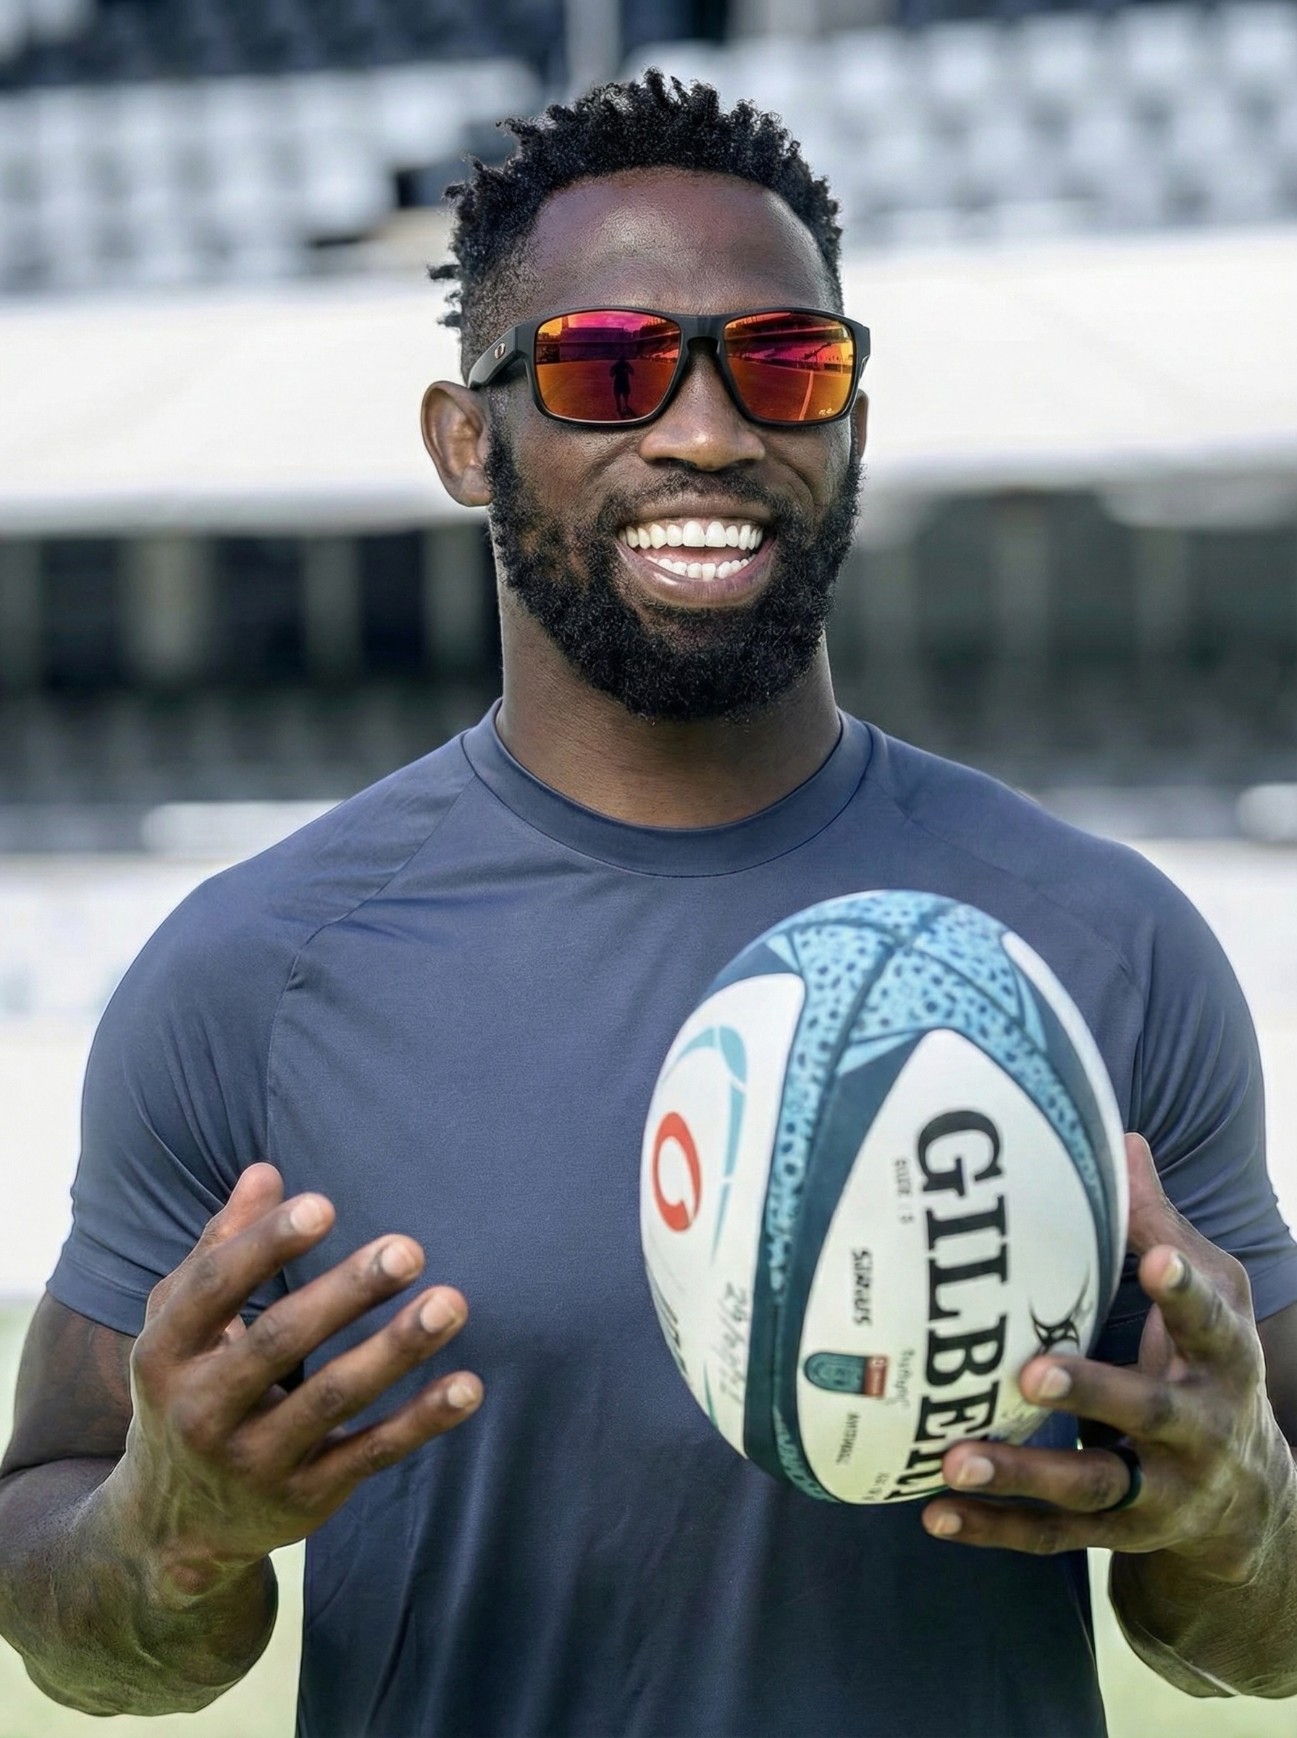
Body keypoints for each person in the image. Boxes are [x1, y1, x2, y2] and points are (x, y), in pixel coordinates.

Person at [1, 72, 1296, 1738]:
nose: (705, 431)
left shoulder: (1102, 945)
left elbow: (1250, 1633)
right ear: (464, 438)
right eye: (604, 366)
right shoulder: (254, 974)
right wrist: (164, 1534)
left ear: (850, 420)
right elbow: (65, 1587)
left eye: (784, 360)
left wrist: (1238, 1519)